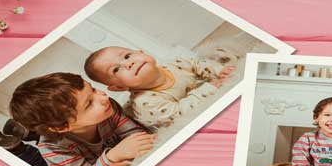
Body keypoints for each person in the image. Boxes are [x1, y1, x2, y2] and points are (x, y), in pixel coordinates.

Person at [9, 72, 157, 166]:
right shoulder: (51, 148)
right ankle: (20, 144)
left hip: (95, 161)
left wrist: (137, 145)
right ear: (61, 126)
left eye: (93, 89)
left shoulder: (107, 108)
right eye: (89, 103)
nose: (103, 97)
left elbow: (137, 135)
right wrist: (112, 157)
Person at [84, 45, 237, 129]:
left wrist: (219, 71)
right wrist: (209, 87)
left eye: (127, 56)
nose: (128, 63)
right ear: (118, 87)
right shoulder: (145, 103)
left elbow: (197, 64)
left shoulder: (174, 64)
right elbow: (179, 114)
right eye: (116, 69)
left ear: (142, 52)